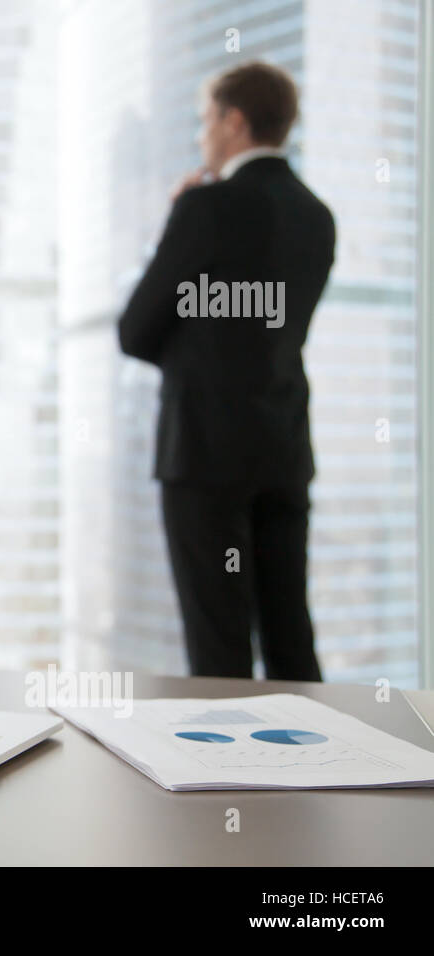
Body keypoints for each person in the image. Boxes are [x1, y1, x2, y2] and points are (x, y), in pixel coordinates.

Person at [116, 61, 335, 680]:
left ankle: (231, 778)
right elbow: (268, 330)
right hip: (283, 446)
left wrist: (181, 216)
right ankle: (324, 772)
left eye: (206, 120)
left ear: (235, 121)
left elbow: (136, 330)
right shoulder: (316, 216)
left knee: (219, 648)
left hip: (206, 453)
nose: (202, 135)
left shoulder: (205, 207)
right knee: (292, 635)